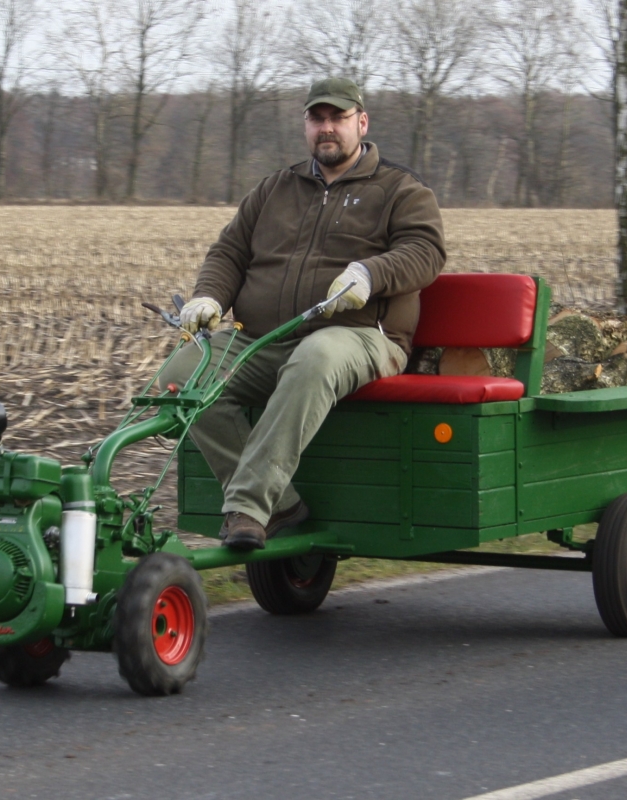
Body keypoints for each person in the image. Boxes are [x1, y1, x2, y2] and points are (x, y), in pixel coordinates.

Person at [160, 77, 446, 551]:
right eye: (318, 118)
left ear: (362, 122)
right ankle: (283, 505)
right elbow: (229, 252)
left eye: (338, 118)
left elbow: (426, 251)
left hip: (360, 337)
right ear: (306, 125)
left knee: (314, 358)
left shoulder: (401, 190)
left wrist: (370, 274)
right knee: (183, 375)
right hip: (262, 338)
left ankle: (251, 509)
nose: (327, 128)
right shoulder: (275, 188)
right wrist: (208, 297)